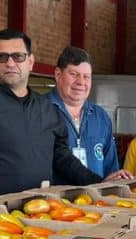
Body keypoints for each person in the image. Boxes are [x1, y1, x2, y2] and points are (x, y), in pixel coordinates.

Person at [0, 29, 126, 202]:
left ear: (30, 61)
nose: (10, 63)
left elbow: (62, 157)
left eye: (18, 56)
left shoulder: (46, 108)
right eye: (2, 57)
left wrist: (98, 183)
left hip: (41, 212)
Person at [48, 46, 121, 179]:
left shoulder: (101, 117)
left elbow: (110, 168)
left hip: (95, 199)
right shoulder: (39, 110)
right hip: (52, 199)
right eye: (74, 74)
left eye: (86, 77)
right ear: (58, 75)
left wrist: (112, 181)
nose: (81, 82)